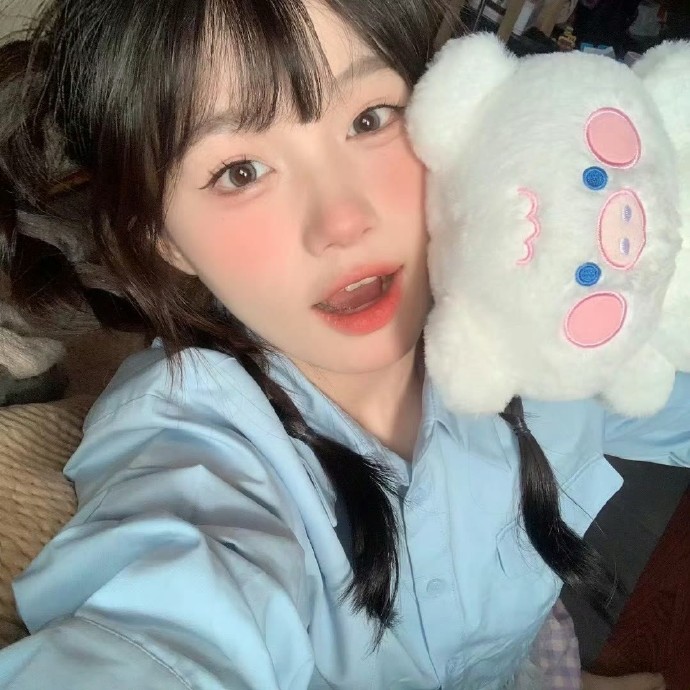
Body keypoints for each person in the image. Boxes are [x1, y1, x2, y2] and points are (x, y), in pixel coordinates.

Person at [0, 0, 685, 688]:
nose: (343, 220)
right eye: (239, 171)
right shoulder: (192, 451)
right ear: (165, 238)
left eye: (369, 119)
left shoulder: (542, 307)